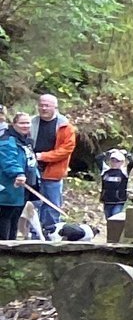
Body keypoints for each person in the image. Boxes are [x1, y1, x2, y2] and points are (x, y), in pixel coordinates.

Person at [28, 93, 74, 240]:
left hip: (53, 171)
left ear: (55, 106)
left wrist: (43, 156)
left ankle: (51, 235)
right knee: (32, 204)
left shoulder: (65, 126)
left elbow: (66, 150)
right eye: (41, 105)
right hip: (32, 171)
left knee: (52, 205)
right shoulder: (31, 122)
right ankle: (34, 235)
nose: (43, 108)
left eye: (47, 105)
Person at [0, 114, 32, 241]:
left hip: (21, 190)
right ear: (14, 124)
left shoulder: (25, 141)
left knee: (15, 221)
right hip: (8, 187)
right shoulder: (7, 140)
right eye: (22, 123)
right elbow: (8, 159)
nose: (25, 126)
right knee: (4, 220)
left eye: (28, 123)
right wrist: (18, 173)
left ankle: (12, 250)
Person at [99, 149, 130, 222]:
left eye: (117, 161)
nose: (114, 163)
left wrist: (126, 154)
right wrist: (107, 153)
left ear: (122, 162)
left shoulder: (124, 172)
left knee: (115, 220)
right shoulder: (105, 171)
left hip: (119, 201)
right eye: (113, 160)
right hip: (107, 201)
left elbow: (132, 163)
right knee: (109, 221)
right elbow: (98, 159)